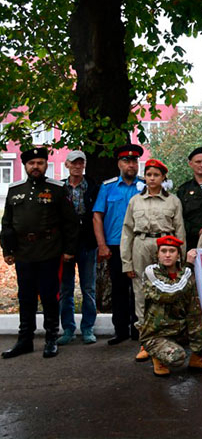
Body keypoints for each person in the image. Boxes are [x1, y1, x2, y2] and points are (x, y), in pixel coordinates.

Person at [1, 147, 79, 359]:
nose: (36, 167)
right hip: (23, 252)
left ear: (46, 165)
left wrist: (69, 250)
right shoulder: (15, 189)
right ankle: (24, 340)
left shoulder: (56, 189)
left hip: (49, 250)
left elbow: (70, 222)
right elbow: (7, 222)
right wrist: (7, 250)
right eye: (31, 163)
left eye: (40, 163)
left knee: (49, 296)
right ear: (26, 166)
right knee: (25, 297)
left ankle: (51, 338)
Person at [120, 158, 186, 362]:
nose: (152, 178)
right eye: (148, 174)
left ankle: (167, 338)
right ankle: (146, 342)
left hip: (166, 246)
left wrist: (181, 258)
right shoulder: (135, 201)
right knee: (141, 291)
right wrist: (127, 262)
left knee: (167, 289)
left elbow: (179, 228)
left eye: (156, 175)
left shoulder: (172, 201)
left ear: (163, 177)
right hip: (141, 244)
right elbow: (127, 231)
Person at [141, 235, 202, 376]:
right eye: (163, 251)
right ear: (157, 254)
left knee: (198, 303)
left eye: (172, 251)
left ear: (178, 255)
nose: (167, 255)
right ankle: (157, 356)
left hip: (180, 329)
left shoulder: (185, 272)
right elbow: (170, 292)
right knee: (177, 357)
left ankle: (197, 357)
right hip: (158, 334)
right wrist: (189, 266)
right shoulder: (151, 271)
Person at [93, 143, 145, 345]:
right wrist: (102, 245)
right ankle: (121, 330)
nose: (131, 165)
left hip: (139, 244)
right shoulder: (108, 188)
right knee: (119, 289)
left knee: (140, 287)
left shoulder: (145, 186)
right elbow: (97, 216)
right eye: (126, 161)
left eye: (134, 161)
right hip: (115, 245)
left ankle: (139, 328)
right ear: (119, 164)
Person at [57, 150, 100, 346]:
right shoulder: (59, 188)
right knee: (65, 288)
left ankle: (88, 328)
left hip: (88, 243)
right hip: (65, 244)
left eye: (80, 163)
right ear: (66, 165)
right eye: (73, 163)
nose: (77, 166)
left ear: (84, 165)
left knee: (89, 288)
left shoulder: (93, 187)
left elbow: (99, 215)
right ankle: (68, 328)